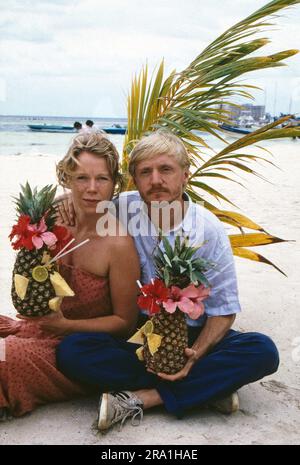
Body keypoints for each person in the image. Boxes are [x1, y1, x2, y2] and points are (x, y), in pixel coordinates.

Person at [56, 130, 279, 432]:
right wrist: (65, 198)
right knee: (72, 351)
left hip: (192, 337)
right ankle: (207, 390)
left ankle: (147, 397)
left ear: (185, 175)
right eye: (145, 172)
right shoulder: (124, 207)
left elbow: (225, 310)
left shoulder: (207, 228)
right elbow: (87, 190)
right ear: (134, 178)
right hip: (140, 337)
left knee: (262, 350)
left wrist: (194, 355)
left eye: (166, 169)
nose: (156, 180)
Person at [0, 133, 140, 419]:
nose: (91, 189)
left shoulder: (118, 243)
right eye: (81, 179)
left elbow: (125, 323)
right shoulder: (54, 215)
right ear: (66, 178)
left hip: (75, 345)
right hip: (36, 327)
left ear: (114, 183)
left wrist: (65, 326)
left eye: (101, 179)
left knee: (3, 357)